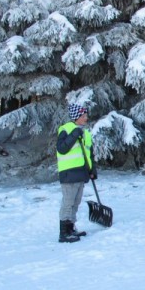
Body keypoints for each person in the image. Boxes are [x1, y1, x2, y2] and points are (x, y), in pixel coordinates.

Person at [56, 103, 96, 243]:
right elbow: (62, 148)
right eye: (83, 116)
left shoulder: (85, 133)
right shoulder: (66, 129)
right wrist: (74, 134)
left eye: (86, 115)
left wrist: (92, 170)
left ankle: (71, 228)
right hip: (69, 173)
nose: (86, 118)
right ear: (76, 117)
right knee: (68, 202)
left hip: (81, 172)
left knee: (76, 202)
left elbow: (88, 153)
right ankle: (64, 233)